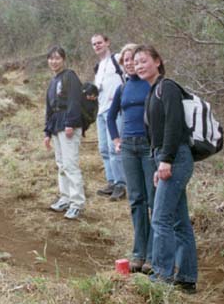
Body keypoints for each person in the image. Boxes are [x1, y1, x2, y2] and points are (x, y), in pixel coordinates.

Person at [134, 44, 197, 294]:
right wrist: (157, 161)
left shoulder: (167, 87)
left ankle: (161, 276)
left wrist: (167, 160)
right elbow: (156, 136)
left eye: (143, 60)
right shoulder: (152, 92)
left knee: (160, 218)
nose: (139, 65)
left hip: (176, 157)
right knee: (180, 221)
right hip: (165, 157)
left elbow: (173, 125)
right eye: (136, 62)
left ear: (157, 61)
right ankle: (187, 278)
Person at [107, 43, 155, 273]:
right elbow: (110, 117)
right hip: (128, 148)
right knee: (136, 200)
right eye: (125, 60)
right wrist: (116, 140)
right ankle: (139, 252)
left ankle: (154, 255)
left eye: (133, 59)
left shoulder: (151, 84)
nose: (129, 63)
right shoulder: (122, 88)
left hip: (148, 147)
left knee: (153, 201)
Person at [44, 46, 86, 220]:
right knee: (61, 164)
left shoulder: (70, 76)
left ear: (64, 59)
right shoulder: (53, 81)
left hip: (68, 125)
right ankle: (65, 197)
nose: (54, 61)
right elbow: (49, 108)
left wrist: (71, 122)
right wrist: (47, 131)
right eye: (51, 58)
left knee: (70, 164)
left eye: (57, 58)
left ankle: (77, 203)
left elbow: (75, 101)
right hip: (56, 125)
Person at [91, 33, 127, 200]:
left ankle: (121, 184)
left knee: (115, 148)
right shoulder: (98, 67)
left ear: (107, 42)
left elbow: (130, 76)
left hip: (116, 110)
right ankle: (111, 181)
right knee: (104, 149)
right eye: (94, 44)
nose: (97, 46)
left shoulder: (117, 59)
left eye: (99, 43)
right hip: (101, 111)